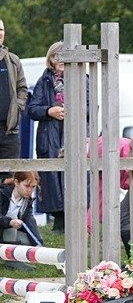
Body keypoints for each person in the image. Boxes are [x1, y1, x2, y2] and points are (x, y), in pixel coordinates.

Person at [26, 42, 75, 232]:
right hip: (49, 135)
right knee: (51, 178)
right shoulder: (43, 81)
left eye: (64, 56)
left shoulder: (81, 78)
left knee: (72, 174)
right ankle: (58, 220)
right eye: (57, 56)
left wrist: (70, 111)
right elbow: (32, 109)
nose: (60, 60)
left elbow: (90, 106)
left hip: (72, 133)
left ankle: (75, 220)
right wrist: (49, 111)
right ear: (51, 59)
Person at [0, 19, 29, 171]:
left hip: (8, 131)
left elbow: (22, 88)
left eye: (1, 30)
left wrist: (17, 108)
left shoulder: (13, 60)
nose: (0, 33)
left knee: (8, 181)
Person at [0, 172, 43, 269]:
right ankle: (12, 261)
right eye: (26, 186)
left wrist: (38, 243)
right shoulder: (1, 192)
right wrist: (10, 222)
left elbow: (30, 221)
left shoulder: (27, 200)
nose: (30, 190)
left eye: (33, 187)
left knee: (27, 240)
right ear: (16, 182)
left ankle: (11, 257)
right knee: (11, 216)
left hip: (7, 232)